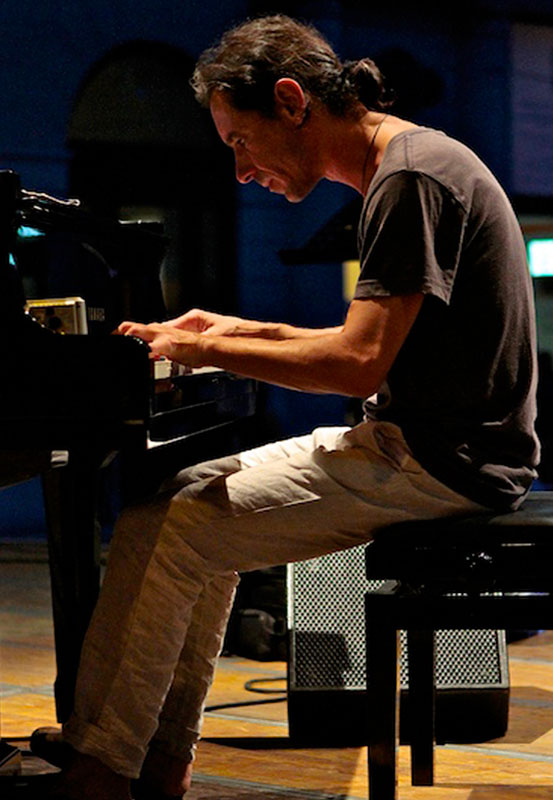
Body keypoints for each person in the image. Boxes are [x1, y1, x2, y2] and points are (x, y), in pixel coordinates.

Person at [44, 13, 539, 800]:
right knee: (176, 503)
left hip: (439, 463)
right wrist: (230, 329)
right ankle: (151, 756)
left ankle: (104, 768)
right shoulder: (411, 162)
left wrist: (205, 351)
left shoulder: (407, 180)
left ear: (289, 100)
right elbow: (363, 342)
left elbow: (354, 365)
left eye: (241, 141)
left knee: (171, 529)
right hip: (428, 448)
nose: (242, 171)